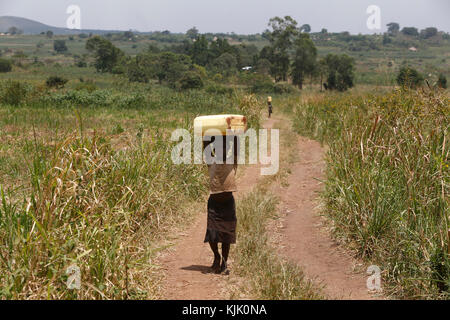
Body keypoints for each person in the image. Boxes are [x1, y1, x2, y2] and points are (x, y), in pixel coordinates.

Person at [202, 135, 239, 274]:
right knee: (212, 234)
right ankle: (216, 256)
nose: (221, 149)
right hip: (214, 203)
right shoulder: (210, 161)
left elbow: (236, 146)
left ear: (228, 148)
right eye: (218, 147)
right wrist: (206, 135)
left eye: (224, 147)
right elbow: (205, 147)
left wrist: (234, 134)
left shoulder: (232, 161)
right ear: (214, 149)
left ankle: (224, 263)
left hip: (228, 203)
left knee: (227, 235)